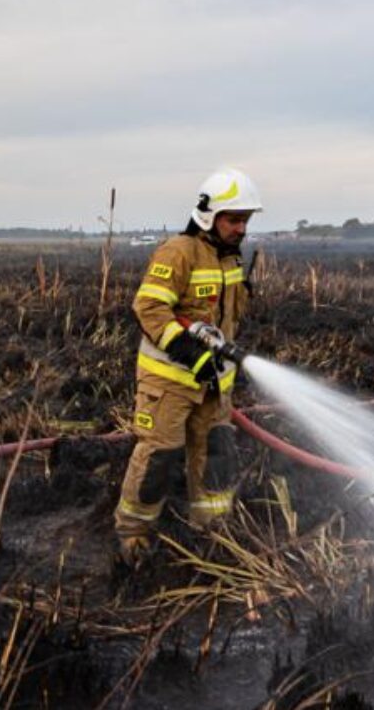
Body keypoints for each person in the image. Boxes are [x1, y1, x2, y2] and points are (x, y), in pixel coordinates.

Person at [114, 167, 262, 566]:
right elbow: (149, 307)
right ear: (209, 216)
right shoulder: (178, 252)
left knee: (216, 453)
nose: (241, 228)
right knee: (159, 457)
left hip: (214, 383)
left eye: (245, 220)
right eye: (234, 219)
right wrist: (187, 351)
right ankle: (134, 537)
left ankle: (213, 533)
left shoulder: (230, 259)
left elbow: (225, 318)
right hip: (169, 382)